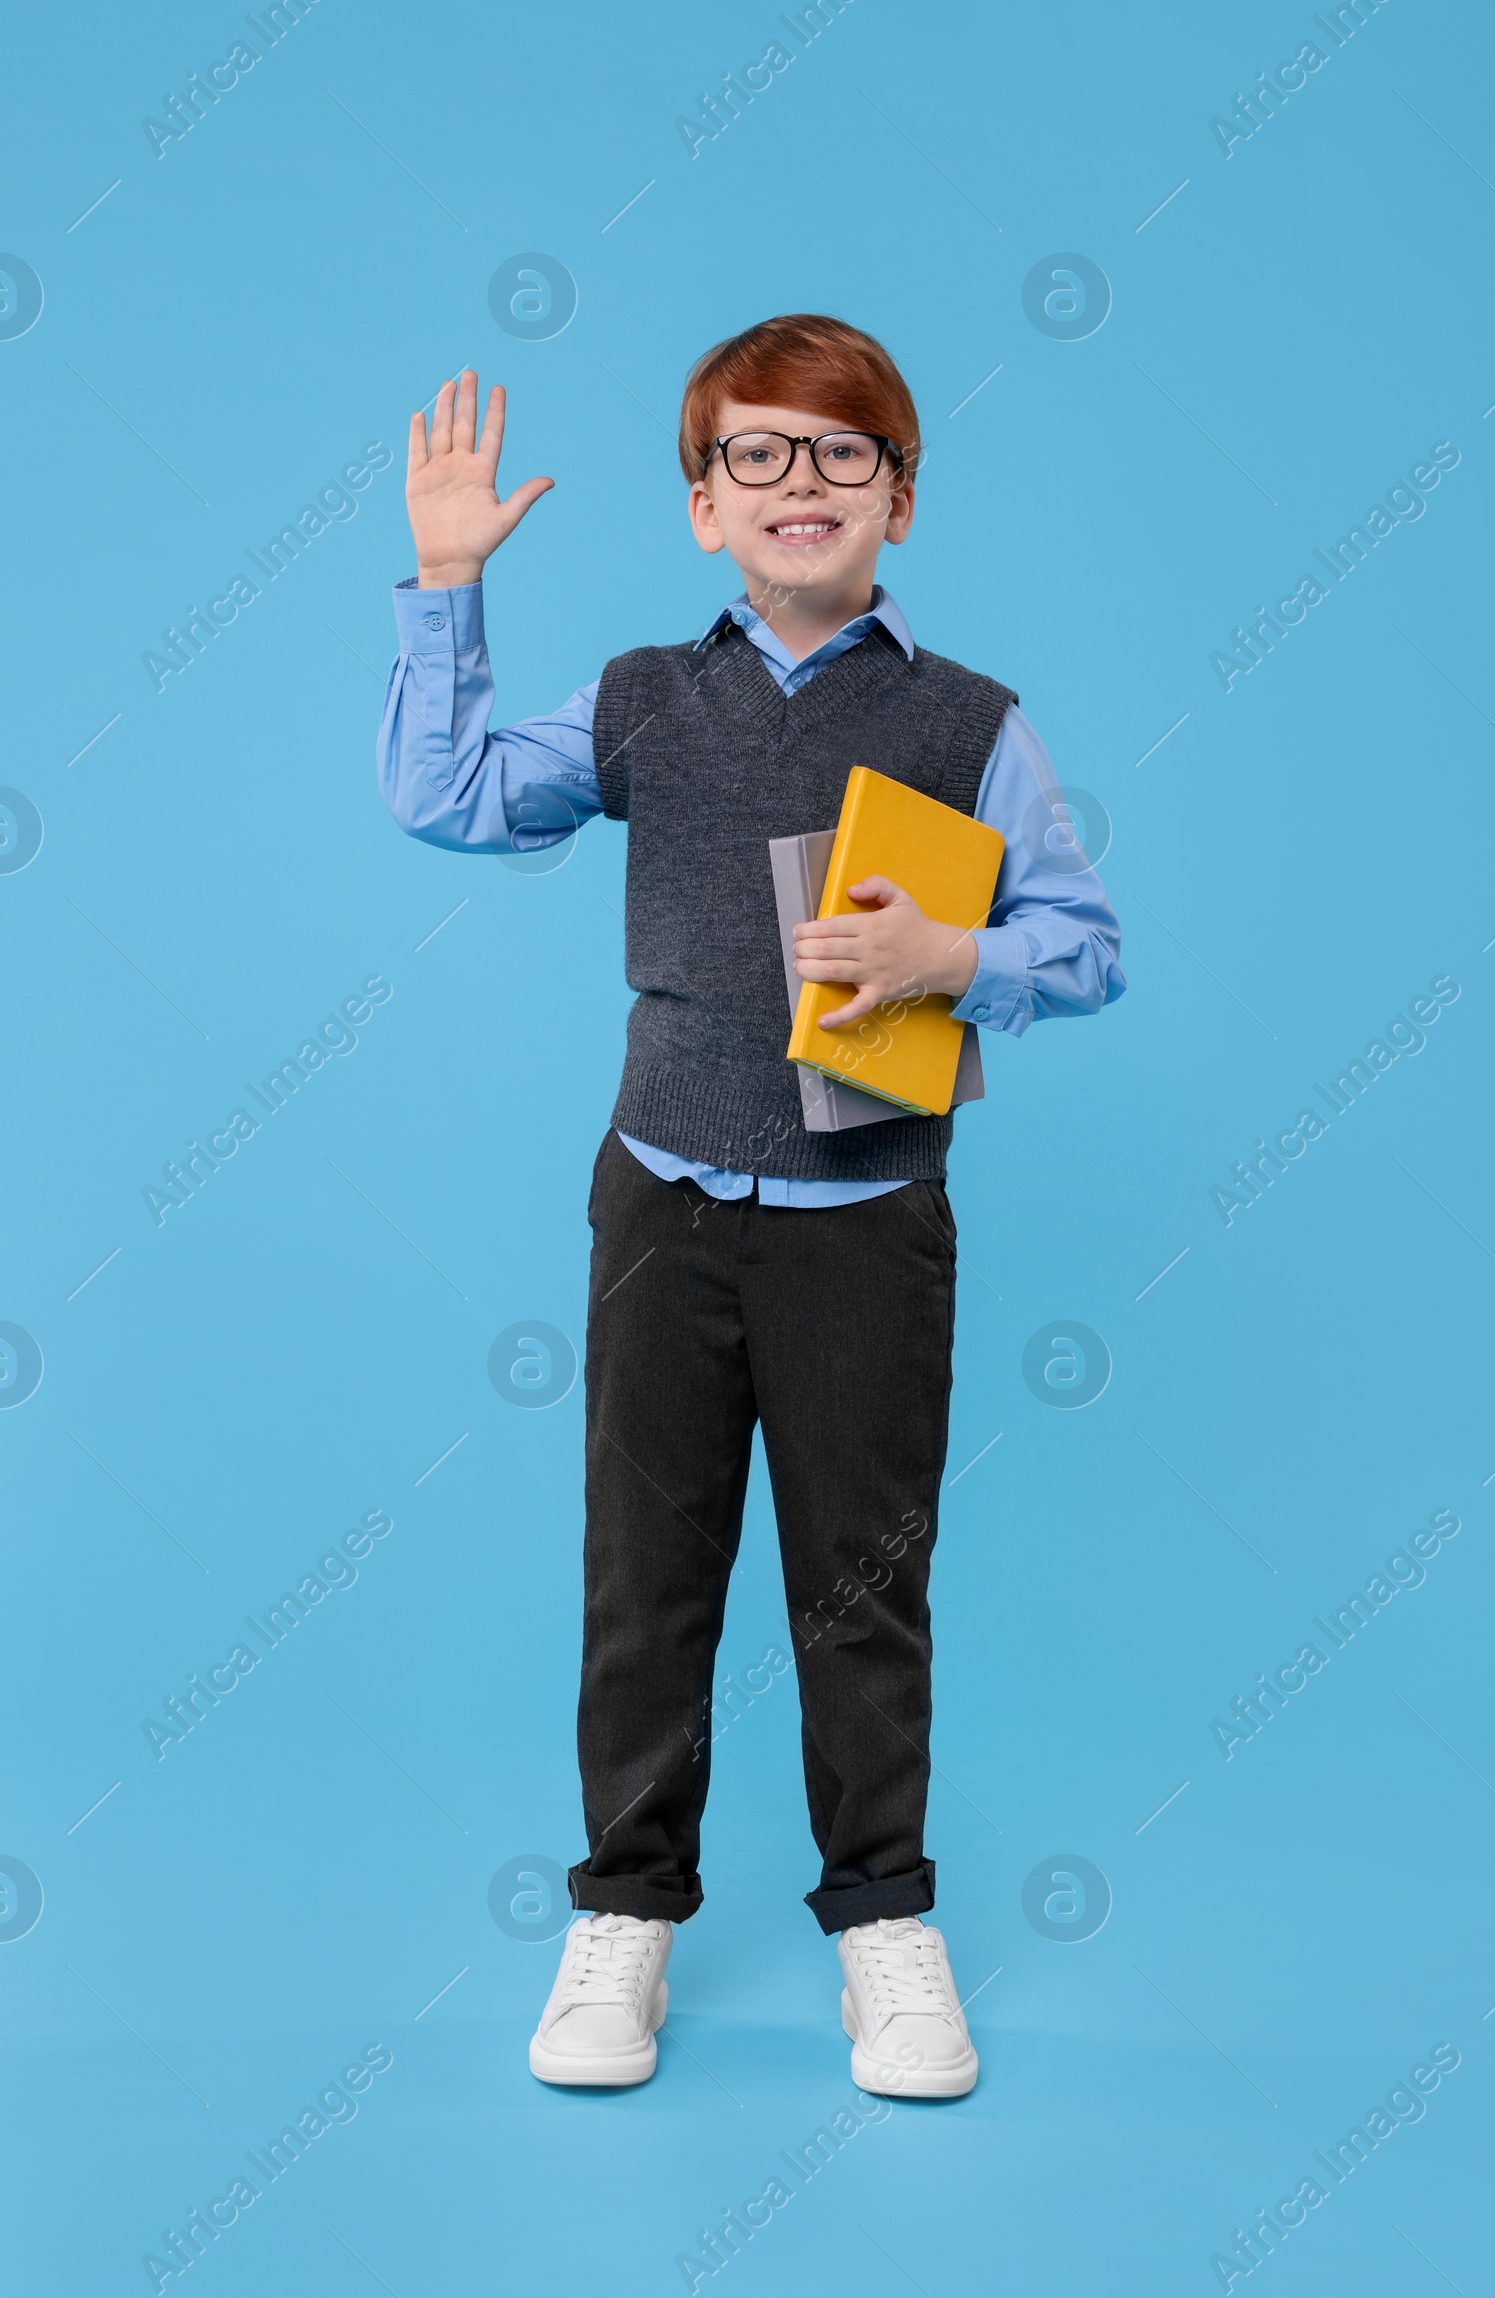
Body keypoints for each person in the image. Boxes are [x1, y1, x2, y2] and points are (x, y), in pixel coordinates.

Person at [378, 314, 1125, 2097]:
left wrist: (962, 953)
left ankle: (886, 1928)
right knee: (648, 1577)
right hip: (662, 1197)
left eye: (842, 455)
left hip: (870, 1209)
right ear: (705, 507)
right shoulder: (646, 695)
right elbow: (445, 798)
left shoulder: (972, 722)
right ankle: (624, 1916)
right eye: (760, 458)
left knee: (862, 1583)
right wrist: (442, 587)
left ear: (903, 502)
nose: (803, 484)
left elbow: (1088, 949)